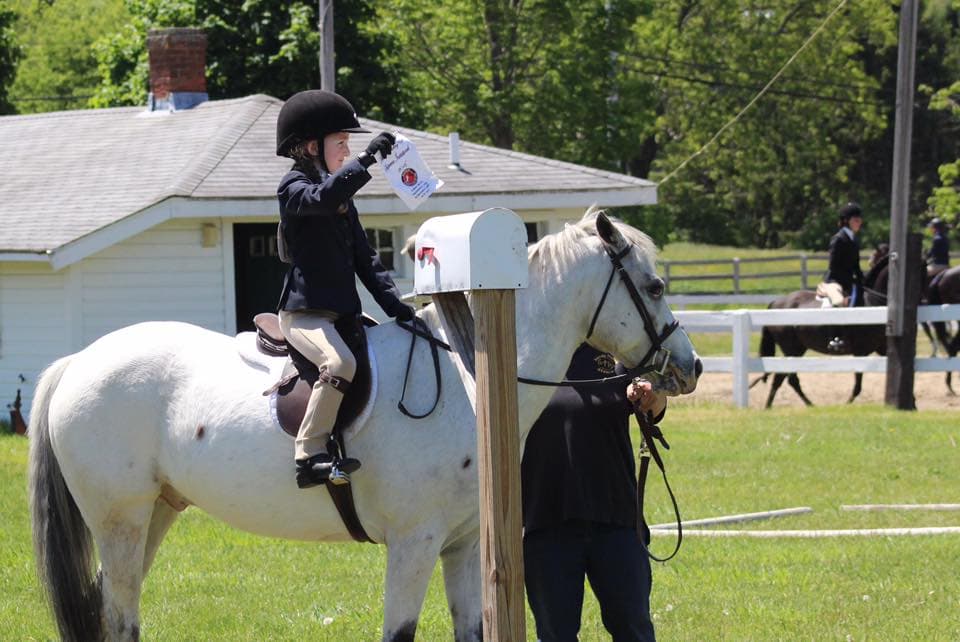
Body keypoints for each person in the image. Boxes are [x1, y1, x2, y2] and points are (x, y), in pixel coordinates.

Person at [274, 89, 415, 489]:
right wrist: (367, 159)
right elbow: (325, 196)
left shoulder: (342, 200)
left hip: (344, 313)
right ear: (311, 146)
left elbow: (365, 259)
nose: (347, 149)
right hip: (304, 316)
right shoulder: (294, 187)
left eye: (350, 144)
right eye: (342, 143)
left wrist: (397, 307)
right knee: (339, 365)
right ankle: (308, 454)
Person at [521, 343, 666, 642]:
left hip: (618, 521)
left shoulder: (613, 352)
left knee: (634, 629)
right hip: (547, 523)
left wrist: (650, 394)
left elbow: (656, 405)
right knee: (555, 634)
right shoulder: (526, 357)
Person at [821, 202, 864, 353]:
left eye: (860, 219)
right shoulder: (838, 239)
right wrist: (848, 279)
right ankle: (835, 337)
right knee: (839, 300)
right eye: (856, 219)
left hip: (848, 281)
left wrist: (862, 280)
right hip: (834, 281)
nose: (859, 222)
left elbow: (856, 266)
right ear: (846, 220)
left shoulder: (854, 239)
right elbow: (833, 266)